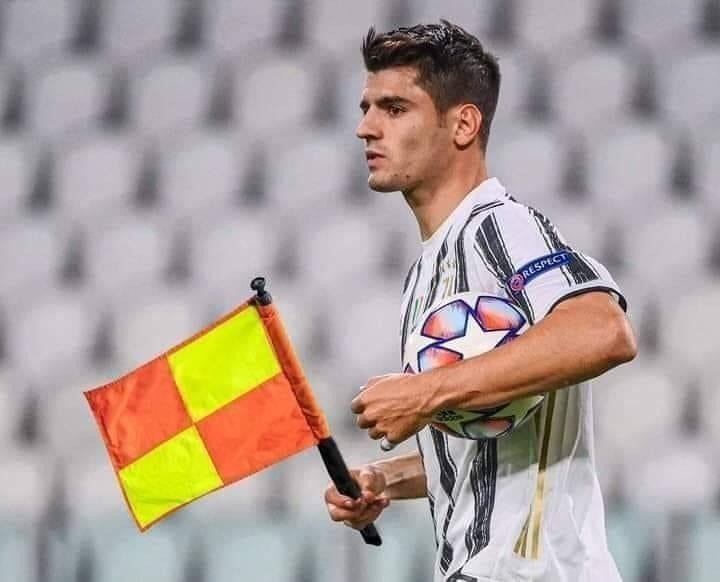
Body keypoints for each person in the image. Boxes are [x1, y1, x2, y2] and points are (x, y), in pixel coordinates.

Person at [323, 21, 638, 582]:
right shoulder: (428, 270)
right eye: (367, 108)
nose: (365, 127)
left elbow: (604, 330)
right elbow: (493, 446)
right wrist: (384, 479)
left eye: (394, 109)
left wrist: (424, 392)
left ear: (464, 124)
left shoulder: (497, 227)